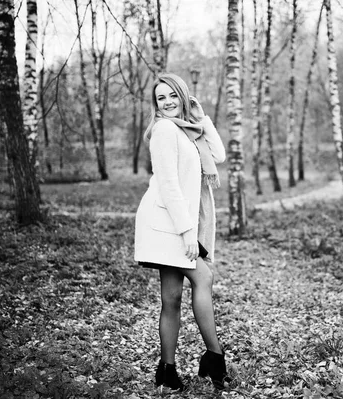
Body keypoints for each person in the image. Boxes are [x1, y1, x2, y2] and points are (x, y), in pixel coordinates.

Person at [134, 73, 229, 392]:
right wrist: (189, 233)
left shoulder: (188, 130)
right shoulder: (163, 130)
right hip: (167, 223)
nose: (168, 102)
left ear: (183, 95)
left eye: (173, 95)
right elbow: (169, 184)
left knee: (171, 297)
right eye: (161, 98)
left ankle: (167, 371)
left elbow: (218, 155)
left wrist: (202, 116)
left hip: (177, 222)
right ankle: (215, 359)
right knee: (203, 278)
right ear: (156, 105)